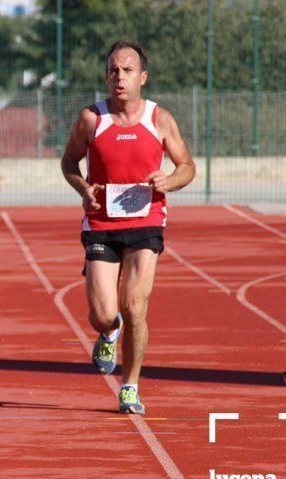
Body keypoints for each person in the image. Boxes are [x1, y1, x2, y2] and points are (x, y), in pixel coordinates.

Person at [60, 40, 195, 414]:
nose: (119, 77)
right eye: (113, 71)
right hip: (102, 224)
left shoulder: (160, 119)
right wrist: (84, 188)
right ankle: (107, 332)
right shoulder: (92, 119)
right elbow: (69, 163)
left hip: (146, 222)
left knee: (135, 306)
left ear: (143, 77)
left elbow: (187, 166)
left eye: (128, 70)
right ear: (106, 77)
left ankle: (130, 385)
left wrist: (169, 181)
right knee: (104, 312)